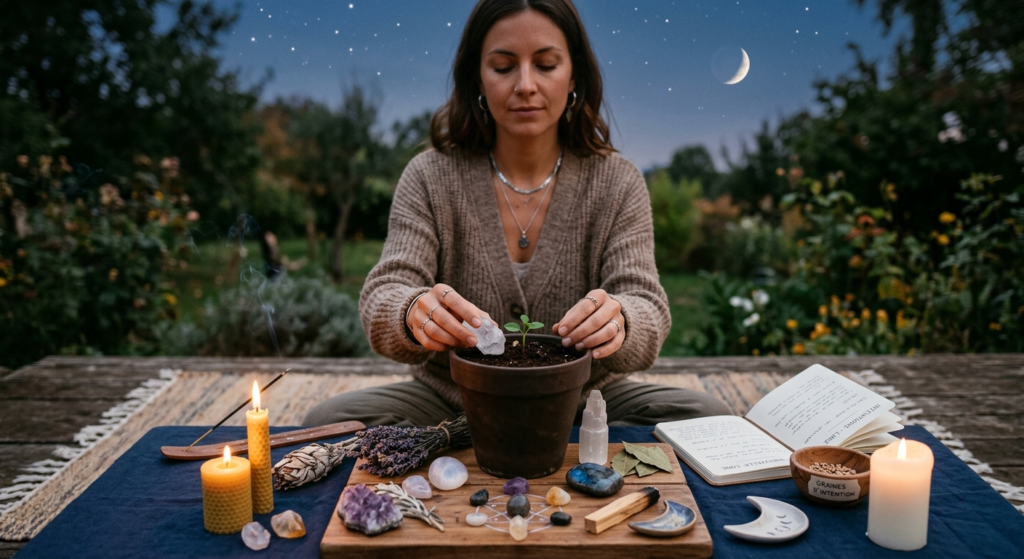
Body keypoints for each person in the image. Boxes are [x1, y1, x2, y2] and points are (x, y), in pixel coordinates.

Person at [303, 0, 730, 428]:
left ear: (574, 74)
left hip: (584, 400)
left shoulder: (617, 181)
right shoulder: (431, 175)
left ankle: (491, 451)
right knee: (329, 419)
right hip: (455, 398)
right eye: (504, 67)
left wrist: (621, 318)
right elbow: (386, 290)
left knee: (708, 417)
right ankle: (500, 446)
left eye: (545, 64)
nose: (525, 85)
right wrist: (412, 311)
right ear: (477, 78)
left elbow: (646, 305)